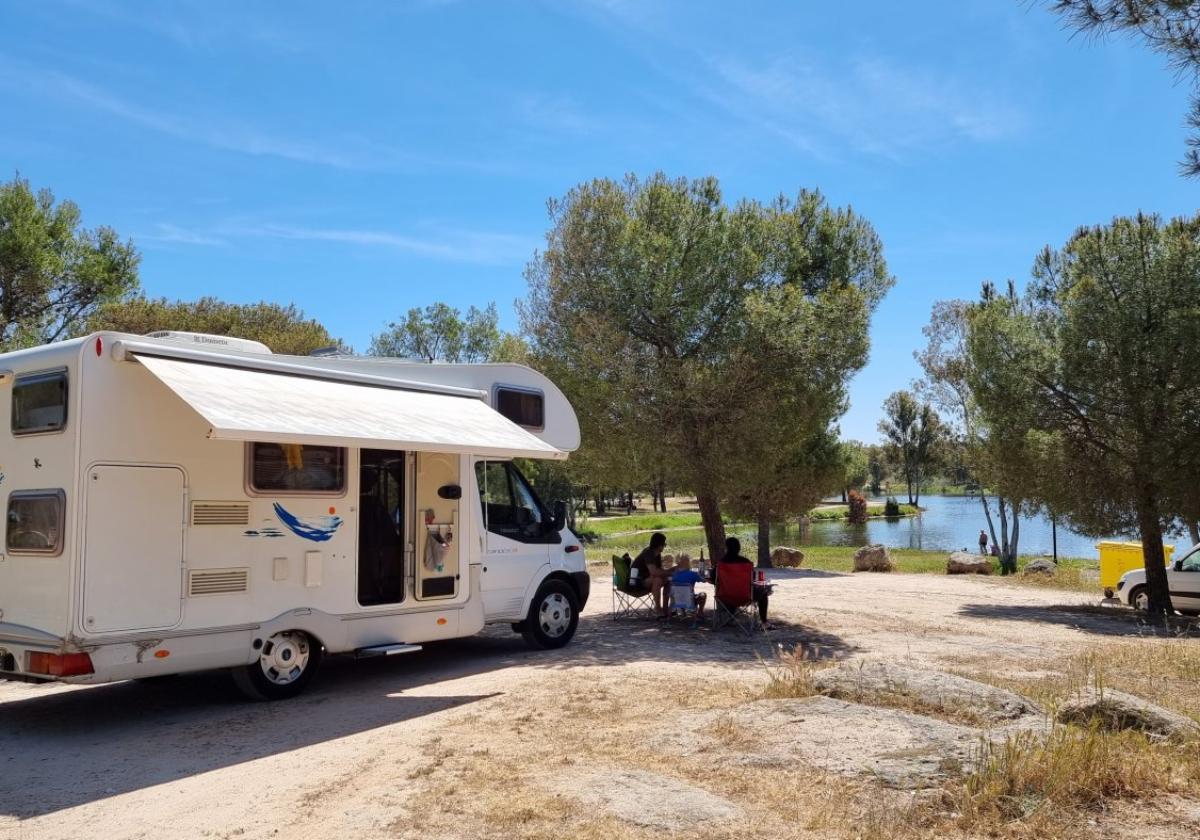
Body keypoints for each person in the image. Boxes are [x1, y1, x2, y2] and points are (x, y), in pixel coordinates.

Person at [714, 537, 769, 626]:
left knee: (730, 589)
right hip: (745, 596)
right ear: (739, 548)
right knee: (763, 593)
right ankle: (764, 622)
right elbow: (753, 578)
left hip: (724, 596)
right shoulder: (746, 563)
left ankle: (730, 617)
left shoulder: (720, 564)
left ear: (726, 548)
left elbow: (713, 579)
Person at [631, 531, 675, 617]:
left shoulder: (657, 554)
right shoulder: (648, 553)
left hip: (647, 579)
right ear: (659, 545)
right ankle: (658, 609)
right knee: (658, 580)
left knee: (668, 579)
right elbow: (654, 572)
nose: (664, 547)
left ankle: (666, 609)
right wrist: (670, 572)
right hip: (637, 582)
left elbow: (659, 570)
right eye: (664, 544)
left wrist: (671, 571)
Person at [669, 553, 708, 623]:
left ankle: (682, 612)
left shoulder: (673, 575)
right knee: (703, 594)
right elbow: (704, 580)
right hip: (689, 600)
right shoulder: (693, 574)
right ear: (688, 562)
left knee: (679, 593)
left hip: (676, 600)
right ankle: (700, 613)